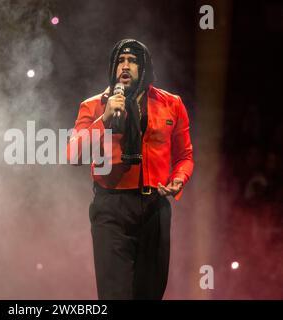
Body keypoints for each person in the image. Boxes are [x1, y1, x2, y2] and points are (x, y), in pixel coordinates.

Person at [67, 39, 194, 299]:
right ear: (113, 68)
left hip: (155, 209)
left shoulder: (172, 104)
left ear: (145, 67)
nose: (125, 66)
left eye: (133, 61)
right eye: (120, 61)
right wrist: (104, 120)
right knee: (115, 294)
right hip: (111, 210)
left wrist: (178, 179)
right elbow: (73, 155)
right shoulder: (93, 106)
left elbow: (185, 157)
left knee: (150, 293)